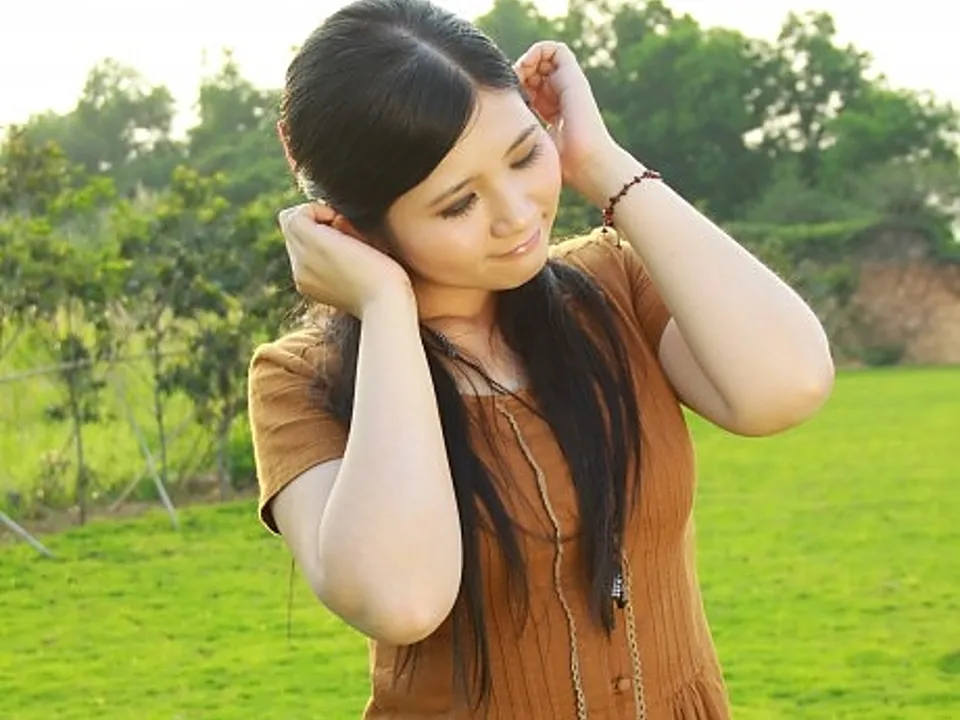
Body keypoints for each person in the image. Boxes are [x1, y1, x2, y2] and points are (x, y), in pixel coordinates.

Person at [248, 0, 835, 717]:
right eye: (458, 204)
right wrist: (386, 304)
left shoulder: (611, 285)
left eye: (526, 155)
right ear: (356, 223)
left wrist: (600, 163)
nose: (519, 215)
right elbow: (400, 600)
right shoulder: (299, 379)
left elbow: (787, 385)